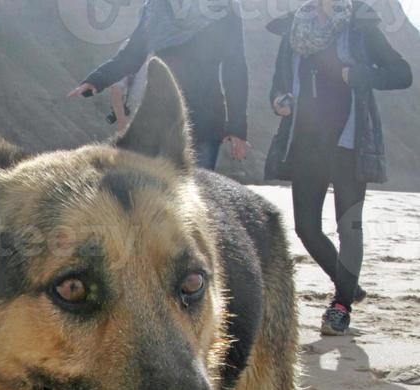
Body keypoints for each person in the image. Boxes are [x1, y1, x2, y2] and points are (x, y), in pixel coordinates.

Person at [266, 0, 412, 335]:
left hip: (349, 144)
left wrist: (359, 74)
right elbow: (280, 81)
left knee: (350, 228)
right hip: (305, 144)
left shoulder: (360, 25)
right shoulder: (294, 27)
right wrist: (279, 100)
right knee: (306, 228)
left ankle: (342, 305)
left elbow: (402, 73)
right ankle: (349, 285)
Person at [69, 0, 249, 170]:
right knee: (152, 193)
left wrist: (237, 127)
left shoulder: (226, 10)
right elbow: (132, 54)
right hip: (158, 119)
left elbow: (235, 69)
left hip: (203, 122)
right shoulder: (158, 7)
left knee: (196, 193)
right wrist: (97, 80)